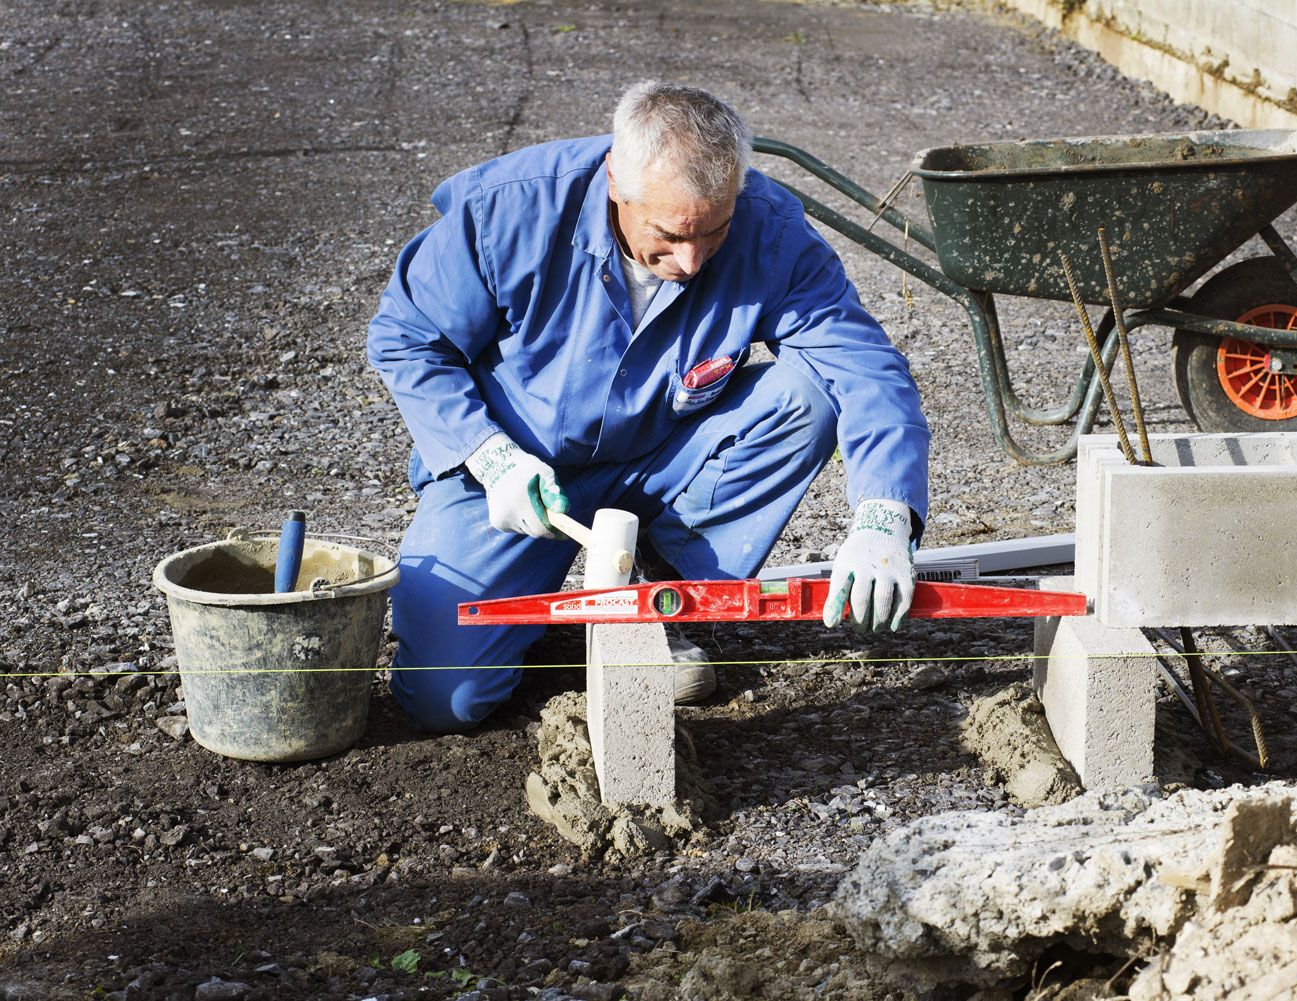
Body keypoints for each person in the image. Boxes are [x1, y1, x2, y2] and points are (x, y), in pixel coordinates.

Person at [367, 81, 929, 733]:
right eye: (669, 235)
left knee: (806, 392)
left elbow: (862, 365)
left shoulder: (768, 229)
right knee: (445, 699)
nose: (691, 262)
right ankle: (524, 608)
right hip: (517, 474)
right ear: (616, 181)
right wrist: (489, 457)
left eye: (712, 232)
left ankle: (659, 586)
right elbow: (406, 337)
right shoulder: (511, 210)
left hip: (662, 457)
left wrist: (886, 513)